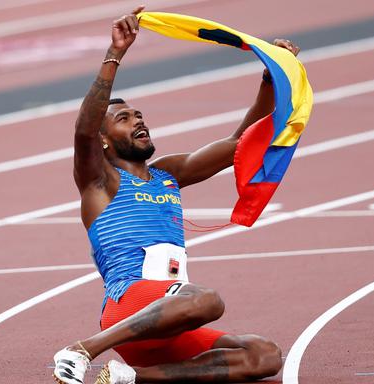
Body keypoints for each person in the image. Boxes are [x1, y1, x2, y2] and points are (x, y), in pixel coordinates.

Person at [53, 6, 300, 384]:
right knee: (208, 301)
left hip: (169, 317)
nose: (138, 120)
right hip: (128, 308)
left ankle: (130, 379)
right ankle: (83, 348)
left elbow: (238, 143)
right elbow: (83, 130)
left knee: (265, 355)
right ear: (103, 141)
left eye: (139, 115)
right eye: (124, 118)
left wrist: (270, 82)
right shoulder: (100, 181)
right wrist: (115, 54)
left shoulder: (168, 174)